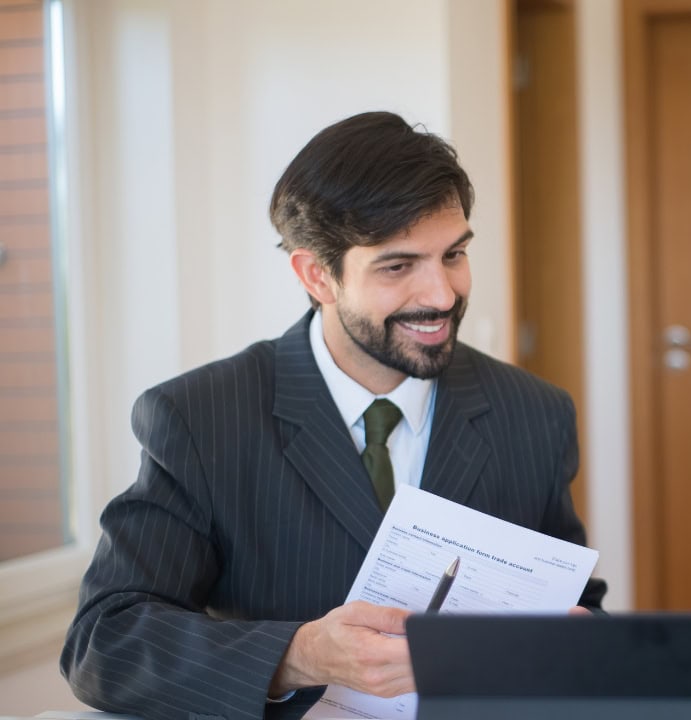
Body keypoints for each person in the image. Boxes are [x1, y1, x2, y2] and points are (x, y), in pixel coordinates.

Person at [60, 111, 605, 719]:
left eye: (453, 254)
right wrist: (298, 655)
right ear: (317, 274)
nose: (443, 295)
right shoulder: (199, 418)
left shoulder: (534, 414)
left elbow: (575, 602)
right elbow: (102, 642)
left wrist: (580, 643)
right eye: (398, 266)